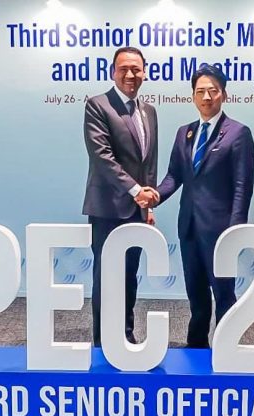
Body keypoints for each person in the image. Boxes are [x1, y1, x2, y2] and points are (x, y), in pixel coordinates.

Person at [154, 64, 254, 348]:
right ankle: (197, 345)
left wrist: (235, 230)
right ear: (193, 97)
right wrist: (155, 196)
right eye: (200, 92)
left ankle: (226, 346)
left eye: (213, 91)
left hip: (220, 230)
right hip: (189, 226)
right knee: (196, 292)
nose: (206, 97)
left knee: (223, 293)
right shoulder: (184, 133)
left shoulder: (238, 133)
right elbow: (174, 176)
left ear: (224, 95)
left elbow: (242, 186)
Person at [82, 46, 159, 347]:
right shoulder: (97, 105)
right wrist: (137, 191)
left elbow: (148, 162)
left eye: (136, 69)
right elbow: (102, 157)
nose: (130, 74)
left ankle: (125, 336)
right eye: (123, 68)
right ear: (113, 72)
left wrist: (149, 205)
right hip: (106, 209)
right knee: (106, 277)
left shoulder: (149, 111)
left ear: (144, 72)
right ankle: (103, 342)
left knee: (129, 275)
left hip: (137, 211)